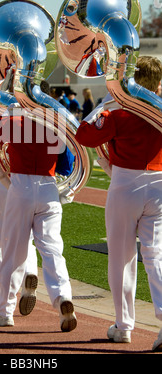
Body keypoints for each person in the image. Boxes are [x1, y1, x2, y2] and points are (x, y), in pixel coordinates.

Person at [75, 55, 162, 352]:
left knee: (122, 257)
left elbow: (83, 135)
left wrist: (104, 105)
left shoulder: (118, 112)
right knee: (156, 255)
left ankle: (124, 325)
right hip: (160, 185)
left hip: (126, 184)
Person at [0, 111, 76, 330]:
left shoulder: (14, 120)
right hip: (49, 187)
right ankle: (63, 296)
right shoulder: (55, 121)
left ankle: (5, 311)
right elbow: (67, 164)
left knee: (12, 252)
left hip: (20, 186)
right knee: (52, 250)